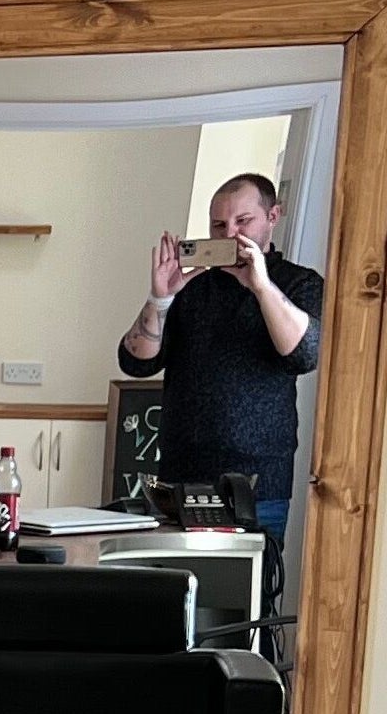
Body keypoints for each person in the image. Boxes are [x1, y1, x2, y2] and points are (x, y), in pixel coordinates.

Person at [116, 172, 322, 574]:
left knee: (251, 605)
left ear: (273, 215)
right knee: (173, 604)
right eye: (218, 225)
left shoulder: (299, 283)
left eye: (243, 221)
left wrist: (260, 285)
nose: (230, 233)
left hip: (260, 486)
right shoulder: (190, 287)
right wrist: (160, 298)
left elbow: (305, 355)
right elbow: (136, 362)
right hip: (179, 482)